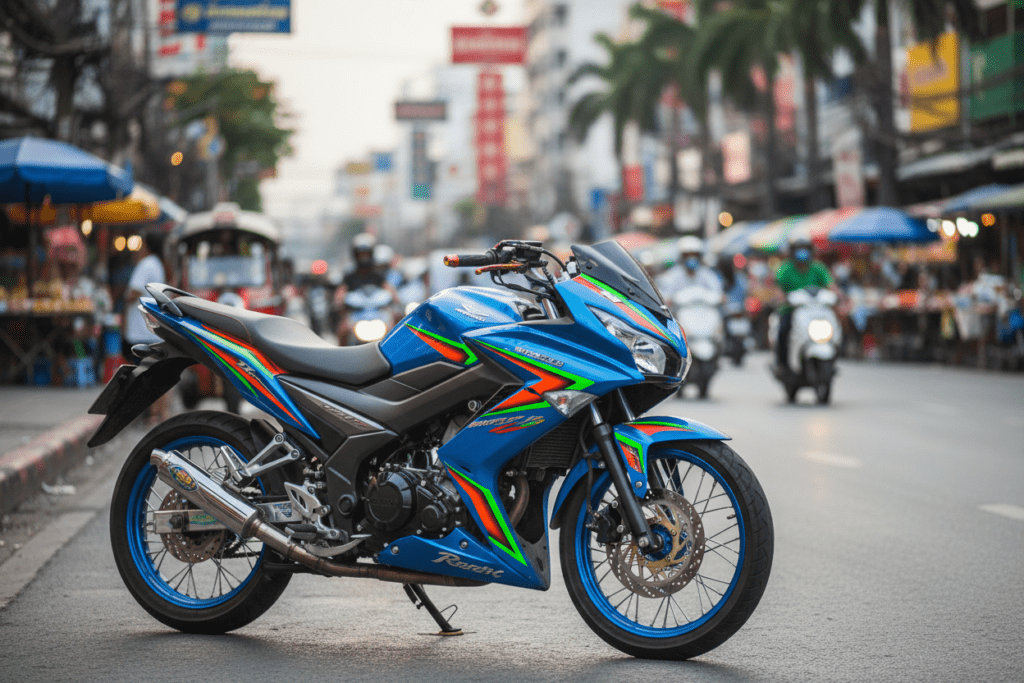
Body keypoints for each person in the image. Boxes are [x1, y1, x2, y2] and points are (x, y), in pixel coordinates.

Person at [123, 231, 169, 421]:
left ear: (146, 245)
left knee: (146, 373)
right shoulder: (158, 264)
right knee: (156, 372)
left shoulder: (146, 264)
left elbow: (134, 290)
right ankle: (157, 413)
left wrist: (124, 299)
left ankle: (153, 413)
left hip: (141, 329)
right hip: (151, 327)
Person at [773, 236, 834, 374]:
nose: (802, 254)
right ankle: (782, 364)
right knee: (783, 331)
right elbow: (778, 288)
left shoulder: (818, 268)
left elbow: (831, 285)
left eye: (805, 250)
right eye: (799, 250)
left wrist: (839, 295)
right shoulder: (786, 268)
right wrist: (780, 297)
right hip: (792, 310)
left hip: (816, 311)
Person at [333, 233, 396, 342]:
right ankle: (342, 356)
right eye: (361, 254)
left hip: (378, 314)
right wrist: (338, 301)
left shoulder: (377, 275)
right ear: (355, 255)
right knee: (342, 330)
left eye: (366, 254)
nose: (364, 257)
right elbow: (341, 292)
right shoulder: (350, 276)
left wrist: (395, 299)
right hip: (356, 315)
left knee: (394, 330)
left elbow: (390, 290)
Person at [657, 236, 723, 301]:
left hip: (705, 309)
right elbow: (666, 295)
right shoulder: (672, 275)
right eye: (687, 255)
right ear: (681, 256)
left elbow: (718, 292)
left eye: (694, 254)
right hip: (680, 311)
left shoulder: (707, 274)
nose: (691, 258)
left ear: (699, 256)